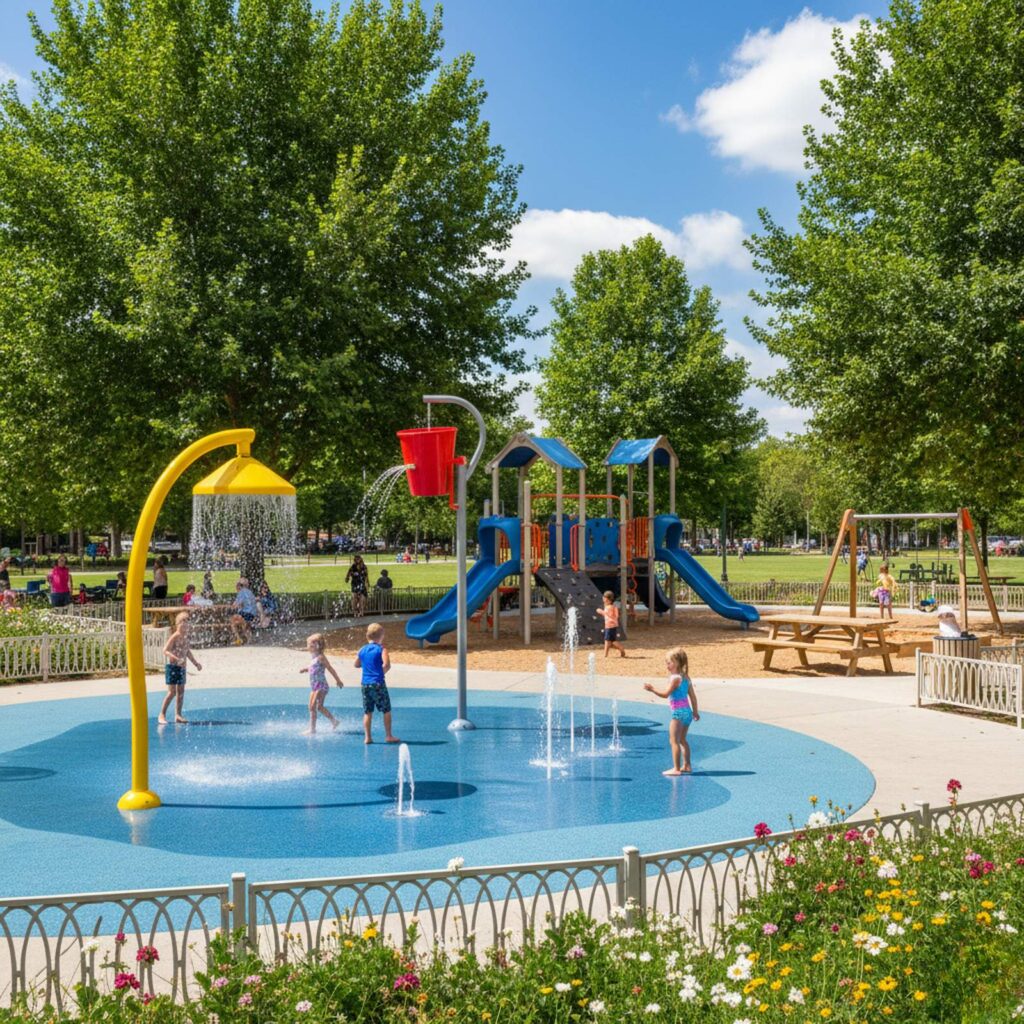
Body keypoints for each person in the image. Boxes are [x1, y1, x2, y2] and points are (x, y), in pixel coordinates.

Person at [643, 647, 700, 776]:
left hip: (678, 713)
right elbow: (693, 696)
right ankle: (687, 765)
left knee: (673, 741)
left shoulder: (675, 679)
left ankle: (676, 768)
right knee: (682, 740)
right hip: (687, 712)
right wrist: (695, 712)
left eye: (669, 662)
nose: (667, 665)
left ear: (678, 663)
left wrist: (652, 689)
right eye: (666, 662)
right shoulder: (686, 677)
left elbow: (665, 694)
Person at [354, 621, 399, 744]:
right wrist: (380, 672)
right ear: (381, 636)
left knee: (368, 711)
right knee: (386, 710)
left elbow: (356, 664)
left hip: (365, 684)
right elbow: (387, 665)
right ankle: (389, 736)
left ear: (367, 636)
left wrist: (367, 665)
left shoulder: (362, 650)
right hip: (378, 683)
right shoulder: (382, 649)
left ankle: (367, 737)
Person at [159, 612, 202, 724]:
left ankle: (178, 715)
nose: (185, 624)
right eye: (182, 622)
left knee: (181, 692)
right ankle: (162, 714)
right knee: (172, 692)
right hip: (173, 667)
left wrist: (196, 663)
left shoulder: (186, 637)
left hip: (182, 668)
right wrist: (176, 658)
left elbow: (187, 652)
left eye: (187, 622)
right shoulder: (175, 636)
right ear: (177, 624)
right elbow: (165, 650)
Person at [300, 633, 342, 734]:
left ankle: (312, 729)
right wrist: (306, 669)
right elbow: (314, 667)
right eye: (309, 643)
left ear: (319, 645)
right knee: (315, 707)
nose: (309, 645)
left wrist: (338, 680)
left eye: (312, 643)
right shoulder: (314, 658)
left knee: (314, 705)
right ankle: (334, 721)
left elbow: (330, 668)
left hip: (321, 685)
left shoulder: (321, 657)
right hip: (314, 686)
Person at [595, 591, 626, 658]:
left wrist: (600, 611)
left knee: (608, 641)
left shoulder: (609, 607)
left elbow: (607, 614)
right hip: (613, 626)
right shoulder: (613, 607)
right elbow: (615, 616)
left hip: (609, 626)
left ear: (608, 599)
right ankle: (610, 653)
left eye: (604, 597)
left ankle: (619, 649)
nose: (603, 598)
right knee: (610, 641)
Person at [230, 578, 259, 644]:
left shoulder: (241, 592)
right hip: (252, 614)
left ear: (239, 586)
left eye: (236, 586)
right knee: (239, 621)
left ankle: (239, 639)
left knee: (232, 620)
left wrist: (234, 605)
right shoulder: (249, 592)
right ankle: (247, 638)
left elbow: (236, 605)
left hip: (246, 613)